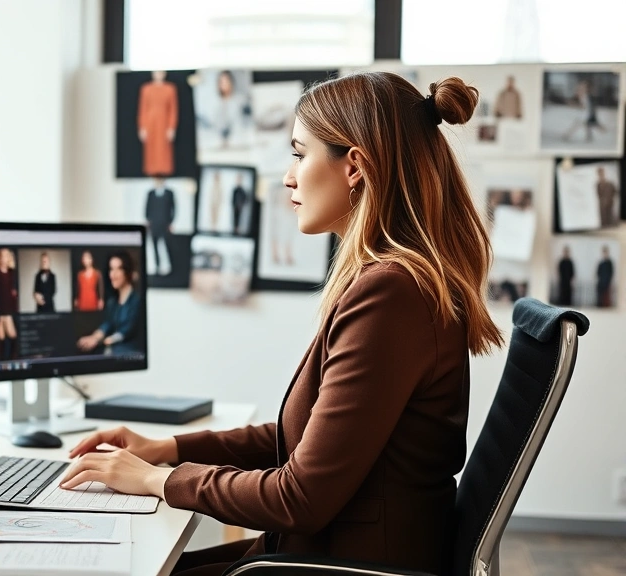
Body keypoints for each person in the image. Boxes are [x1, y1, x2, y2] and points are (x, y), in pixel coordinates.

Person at [60, 72, 504, 576]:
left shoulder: (392, 294)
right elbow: (313, 437)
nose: (288, 177)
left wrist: (157, 480)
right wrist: (168, 449)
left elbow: (301, 495)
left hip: (342, 566)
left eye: (299, 153)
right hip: (333, 551)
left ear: (354, 166)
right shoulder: (396, 283)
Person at [76, 251, 142, 356]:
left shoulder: (136, 301)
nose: (113, 274)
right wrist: (94, 337)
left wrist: (99, 341)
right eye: (111, 269)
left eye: (118, 269)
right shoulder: (112, 302)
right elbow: (107, 324)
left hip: (128, 353)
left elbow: (126, 331)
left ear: (127, 271)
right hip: (112, 351)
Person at [137, 70, 178, 177]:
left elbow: (173, 110)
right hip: (150, 122)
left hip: (164, 122)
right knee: (151, 149)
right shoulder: (146, 89)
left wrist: (171, 127)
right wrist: (142, 127)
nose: (158, 75)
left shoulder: (170, 89)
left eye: (161, 72)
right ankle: (152, 170)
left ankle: (164, 170)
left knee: (163, 148)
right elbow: (143, 109)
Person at [0, 248, 18, 360]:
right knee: (0, 328)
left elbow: (14, 289)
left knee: (10, 330)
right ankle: (2, 358)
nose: (4, 259)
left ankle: (12, 357)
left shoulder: (11, 272)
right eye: (2, 256)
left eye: (6, 256)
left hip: (9, 305)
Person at [145, 178, 175, 275]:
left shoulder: (169, 193)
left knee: (167, 245)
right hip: (154, 224)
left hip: (165, 224)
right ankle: (157, 267)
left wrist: (170, 222)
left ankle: (171, 268)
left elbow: (173, 208)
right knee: (155, 246)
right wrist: (148, 221)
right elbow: (147, 208)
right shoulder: (151, 193)